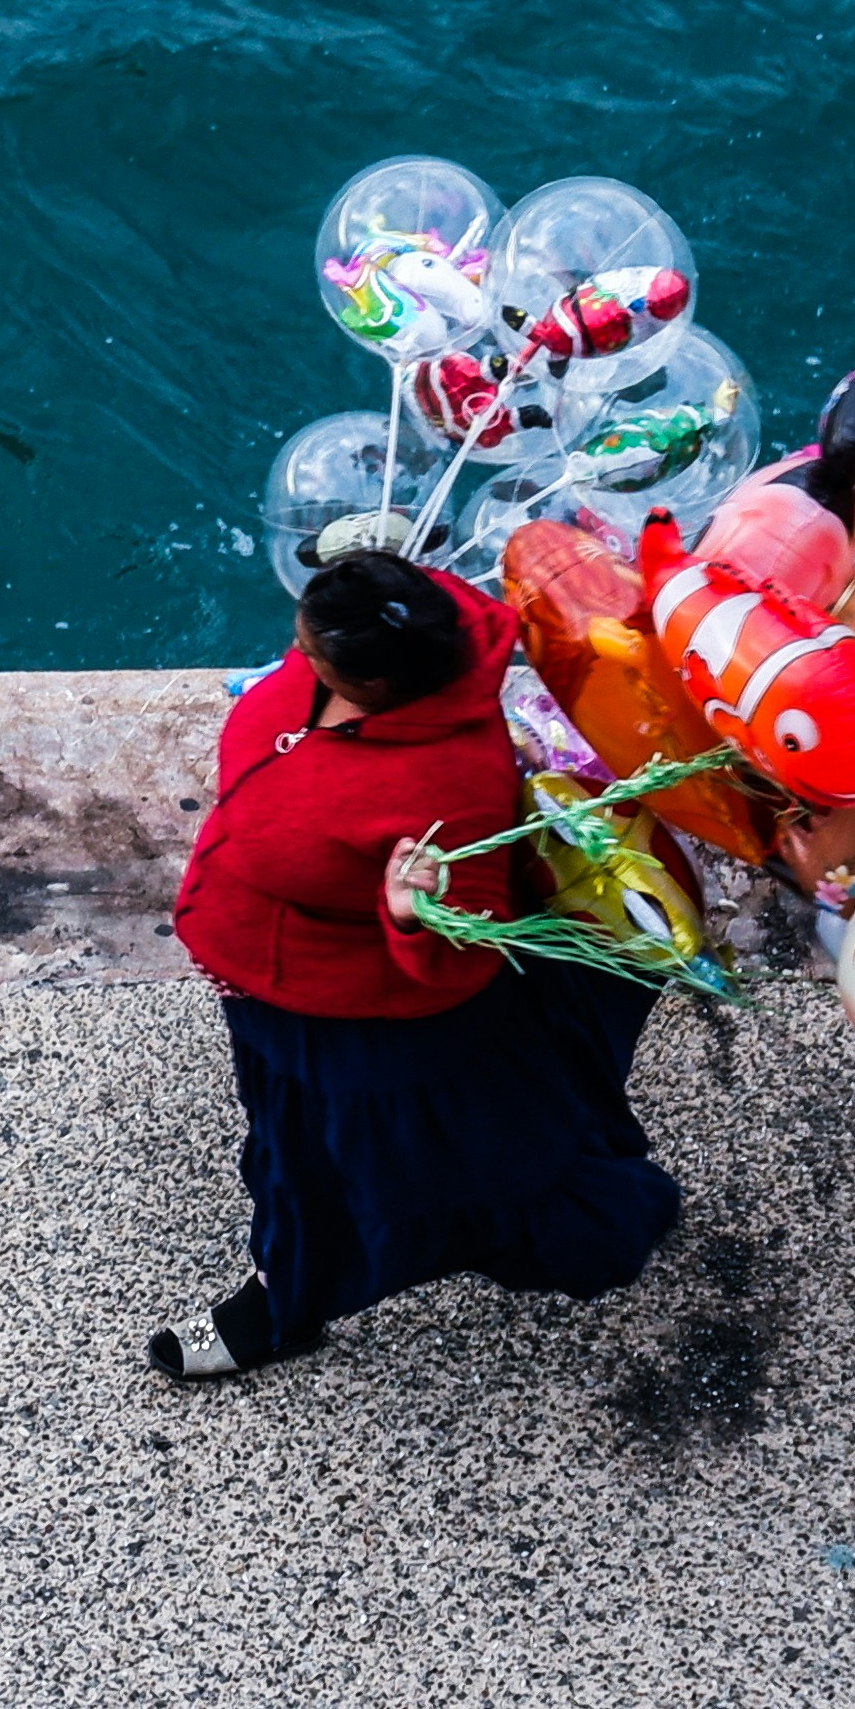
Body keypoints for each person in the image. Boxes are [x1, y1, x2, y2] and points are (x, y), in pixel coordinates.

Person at [146, 542, 682, 1379]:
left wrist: (411, 918)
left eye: (314, 649)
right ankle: (288, 1287)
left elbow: (467, 958)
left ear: (382, 686)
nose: (300, 650)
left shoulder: (451, 786)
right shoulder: (372, 640)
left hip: (362, 1021)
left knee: (441, 1170)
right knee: (300, 1155)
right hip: (274, 993)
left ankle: (288, 1301)